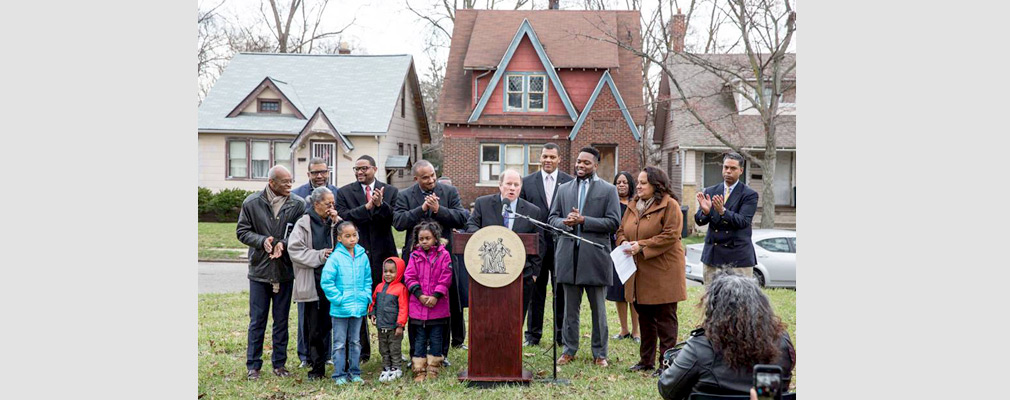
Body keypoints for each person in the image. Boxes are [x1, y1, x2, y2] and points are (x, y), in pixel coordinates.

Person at [657, 271, 795, 399]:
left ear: (713, 309)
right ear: (762, 306)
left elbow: (668, 390)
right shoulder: (781, 341)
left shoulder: (700, 347)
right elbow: (782, 387)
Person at [548, 147, 622, 368]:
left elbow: (613, 222)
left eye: (586, 163)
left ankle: (600, 353)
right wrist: (565, 223)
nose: (580, 166)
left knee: (598, 309)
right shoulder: (563, 189)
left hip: (595, 258)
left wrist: (583, 221)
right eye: (579, 162)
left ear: (596, 166)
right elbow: (552, 218)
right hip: (568, 257)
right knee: (570, 310)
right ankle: (569, 349)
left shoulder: (608, 190)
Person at [393, 160, 468, 364]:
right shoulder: (405, 195)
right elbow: (398, 222)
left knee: (442, 306)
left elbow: (463, 218)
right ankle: (415, 354)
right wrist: (421, 208)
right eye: (425, 178)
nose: (431, 180)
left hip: (443, 260)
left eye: (433, 175)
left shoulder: (449, 192)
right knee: (415, 307)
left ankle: (440, 354)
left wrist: (438, 210)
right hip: (415, 261)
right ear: (416, 178)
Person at [236, 165, 306, 380]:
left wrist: (283, 244)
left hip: (284, 271)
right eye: (285, 182)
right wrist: (262, 240)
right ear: (271, 183)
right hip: (259, 270)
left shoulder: (298, 204)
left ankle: (279, 364)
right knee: (257, 320)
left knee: (281, 320)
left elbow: (300, 233)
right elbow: (242, 231)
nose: (289, 185)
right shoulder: (252, 203)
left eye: (291, 181)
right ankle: (253, 366)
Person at [616, 167, 686, 376]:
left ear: (656, 184)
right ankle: (645, 361)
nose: (638, 185)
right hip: (639, 272)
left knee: (665, 321)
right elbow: (620, 230)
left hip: (664, 272)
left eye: (643, 182)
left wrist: (642, 245)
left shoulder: (669, 205)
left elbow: (671, 235)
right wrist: (624, 243)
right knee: (645, 318)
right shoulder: (632, 205)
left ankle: (666, 365)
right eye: (638, 182)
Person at [335, 155, 400, 364]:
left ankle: (391, 352)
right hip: (357, 256)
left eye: (364, 168)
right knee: (359, 302)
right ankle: (362, 352)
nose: (359, 172)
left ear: (374, 168)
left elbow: (394, 220)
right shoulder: (345, 192)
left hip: (383, 255)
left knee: (386, 303)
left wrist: (380, 205)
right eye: (356, 169)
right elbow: (345, 219)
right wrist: (368, 207)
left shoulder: (390, 191)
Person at [466, 168, 544, 320]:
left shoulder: (532, 211)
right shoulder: (483, 203)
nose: (512, 188)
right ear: (500, 185)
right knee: (491, 314)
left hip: (522, 272)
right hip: (489, 271)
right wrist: (486, 237)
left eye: (516, 184)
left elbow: (539, 242)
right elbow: (471, 226)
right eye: (508, 184)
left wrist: (534, 273)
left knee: (515, 316)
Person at [519, 142, 573, 347]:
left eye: (552, 157)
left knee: (561, 291)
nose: (548, 160)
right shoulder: (527, 182)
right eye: (544, 157)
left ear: (559, 159)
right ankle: (533, 335)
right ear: (539, 158)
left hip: (561, 244)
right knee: (535, 290)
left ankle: (560, 335)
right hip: (536, 245)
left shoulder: (569, 182)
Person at [287, 186, 341, 380]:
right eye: (328, 204)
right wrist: (319, 255)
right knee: (314, 328)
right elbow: (294, 250)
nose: (331, 207)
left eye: (333, 204)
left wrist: (338, 222)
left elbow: (349, 238)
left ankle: (331, 360)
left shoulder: (333, 221)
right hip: (313, 282)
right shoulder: (304, 222)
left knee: (329, 324)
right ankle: (316, 367)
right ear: (316, 204)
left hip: (333, 283)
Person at [320, 221, 373, 385]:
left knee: (356, 342)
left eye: (354, 235)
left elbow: (367, 280)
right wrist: (339, 299)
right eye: (347, 236)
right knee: (339, 343)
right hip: (340, 309)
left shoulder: (362, 256)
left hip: (358, 308)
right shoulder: (335, 258)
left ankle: (355, 372)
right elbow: (327, 282)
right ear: (339, 238)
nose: (352, 239)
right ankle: (339, 374)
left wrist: (365, 297)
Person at [694, 152, 759, 285]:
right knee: (712, 300)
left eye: (733, 168)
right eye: (726, 167)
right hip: (713, 257)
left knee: (739, 302)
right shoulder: (710, 191)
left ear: (741, 170)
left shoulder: (749, 195)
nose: (728, 171)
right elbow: (699, 221)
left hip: (738, 258)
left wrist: (723, 211)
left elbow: (743, 221)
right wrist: (706, 212)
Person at [402, 221, 453, 382]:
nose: (424, 241)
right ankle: (419, 368)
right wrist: (420, 295)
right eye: (421, 238)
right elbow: (409, 276)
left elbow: (446, 277)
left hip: (437, 306)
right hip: (418, 306)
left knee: (437, 338)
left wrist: (436, 296)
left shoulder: (444, 255)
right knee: (420, 339)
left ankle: (433, 367)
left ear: (435, 239)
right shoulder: (414, 256)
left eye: (427, 238)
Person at [608, 171, 640, 344]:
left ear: (630, 185)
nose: (621, 185)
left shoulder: (636, 204)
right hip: (616, 252)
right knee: (618, 292)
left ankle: (636, 331)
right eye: (618, 182)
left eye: (625, 182)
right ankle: (624, 329)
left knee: (633, 292)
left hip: (633, 251)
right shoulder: (610, 203)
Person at [368, 257, 409, 382]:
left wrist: (400, 325)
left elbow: (403, 308)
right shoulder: (379, 287)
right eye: (385, 271)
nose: (388, 274)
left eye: (392, 272)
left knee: (394, 349)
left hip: (394, 327)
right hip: (381, 326)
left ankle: (396, 368)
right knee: (383, 348)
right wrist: (372, 313)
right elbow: (373, 302)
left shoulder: (400, 288)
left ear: (399, 272)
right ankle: (386, 368)